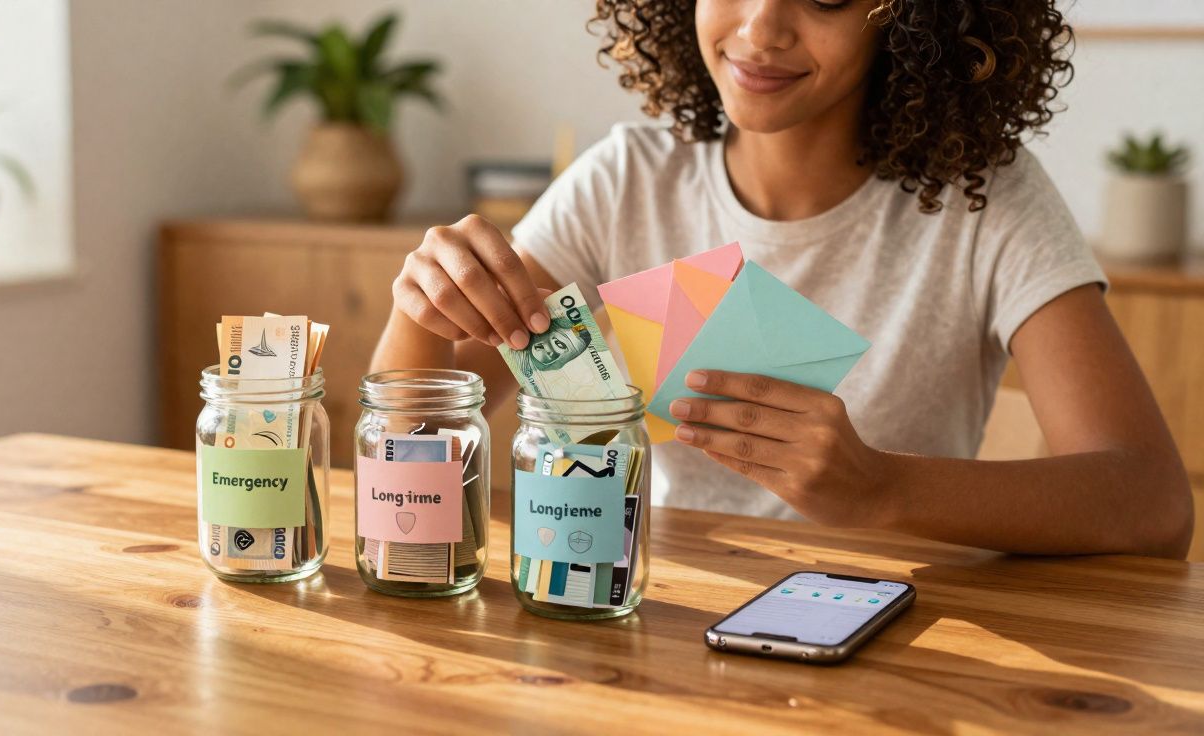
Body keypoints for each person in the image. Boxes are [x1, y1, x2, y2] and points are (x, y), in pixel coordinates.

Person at [371, 0, 1194, 558]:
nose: (761, 30)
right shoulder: (625, 182)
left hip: (901, 640)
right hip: (665, 619)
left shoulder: (987, 197)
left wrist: (881, 488)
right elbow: (409, 468)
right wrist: (423, 308)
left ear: (910, 19)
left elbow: (1154, 503)